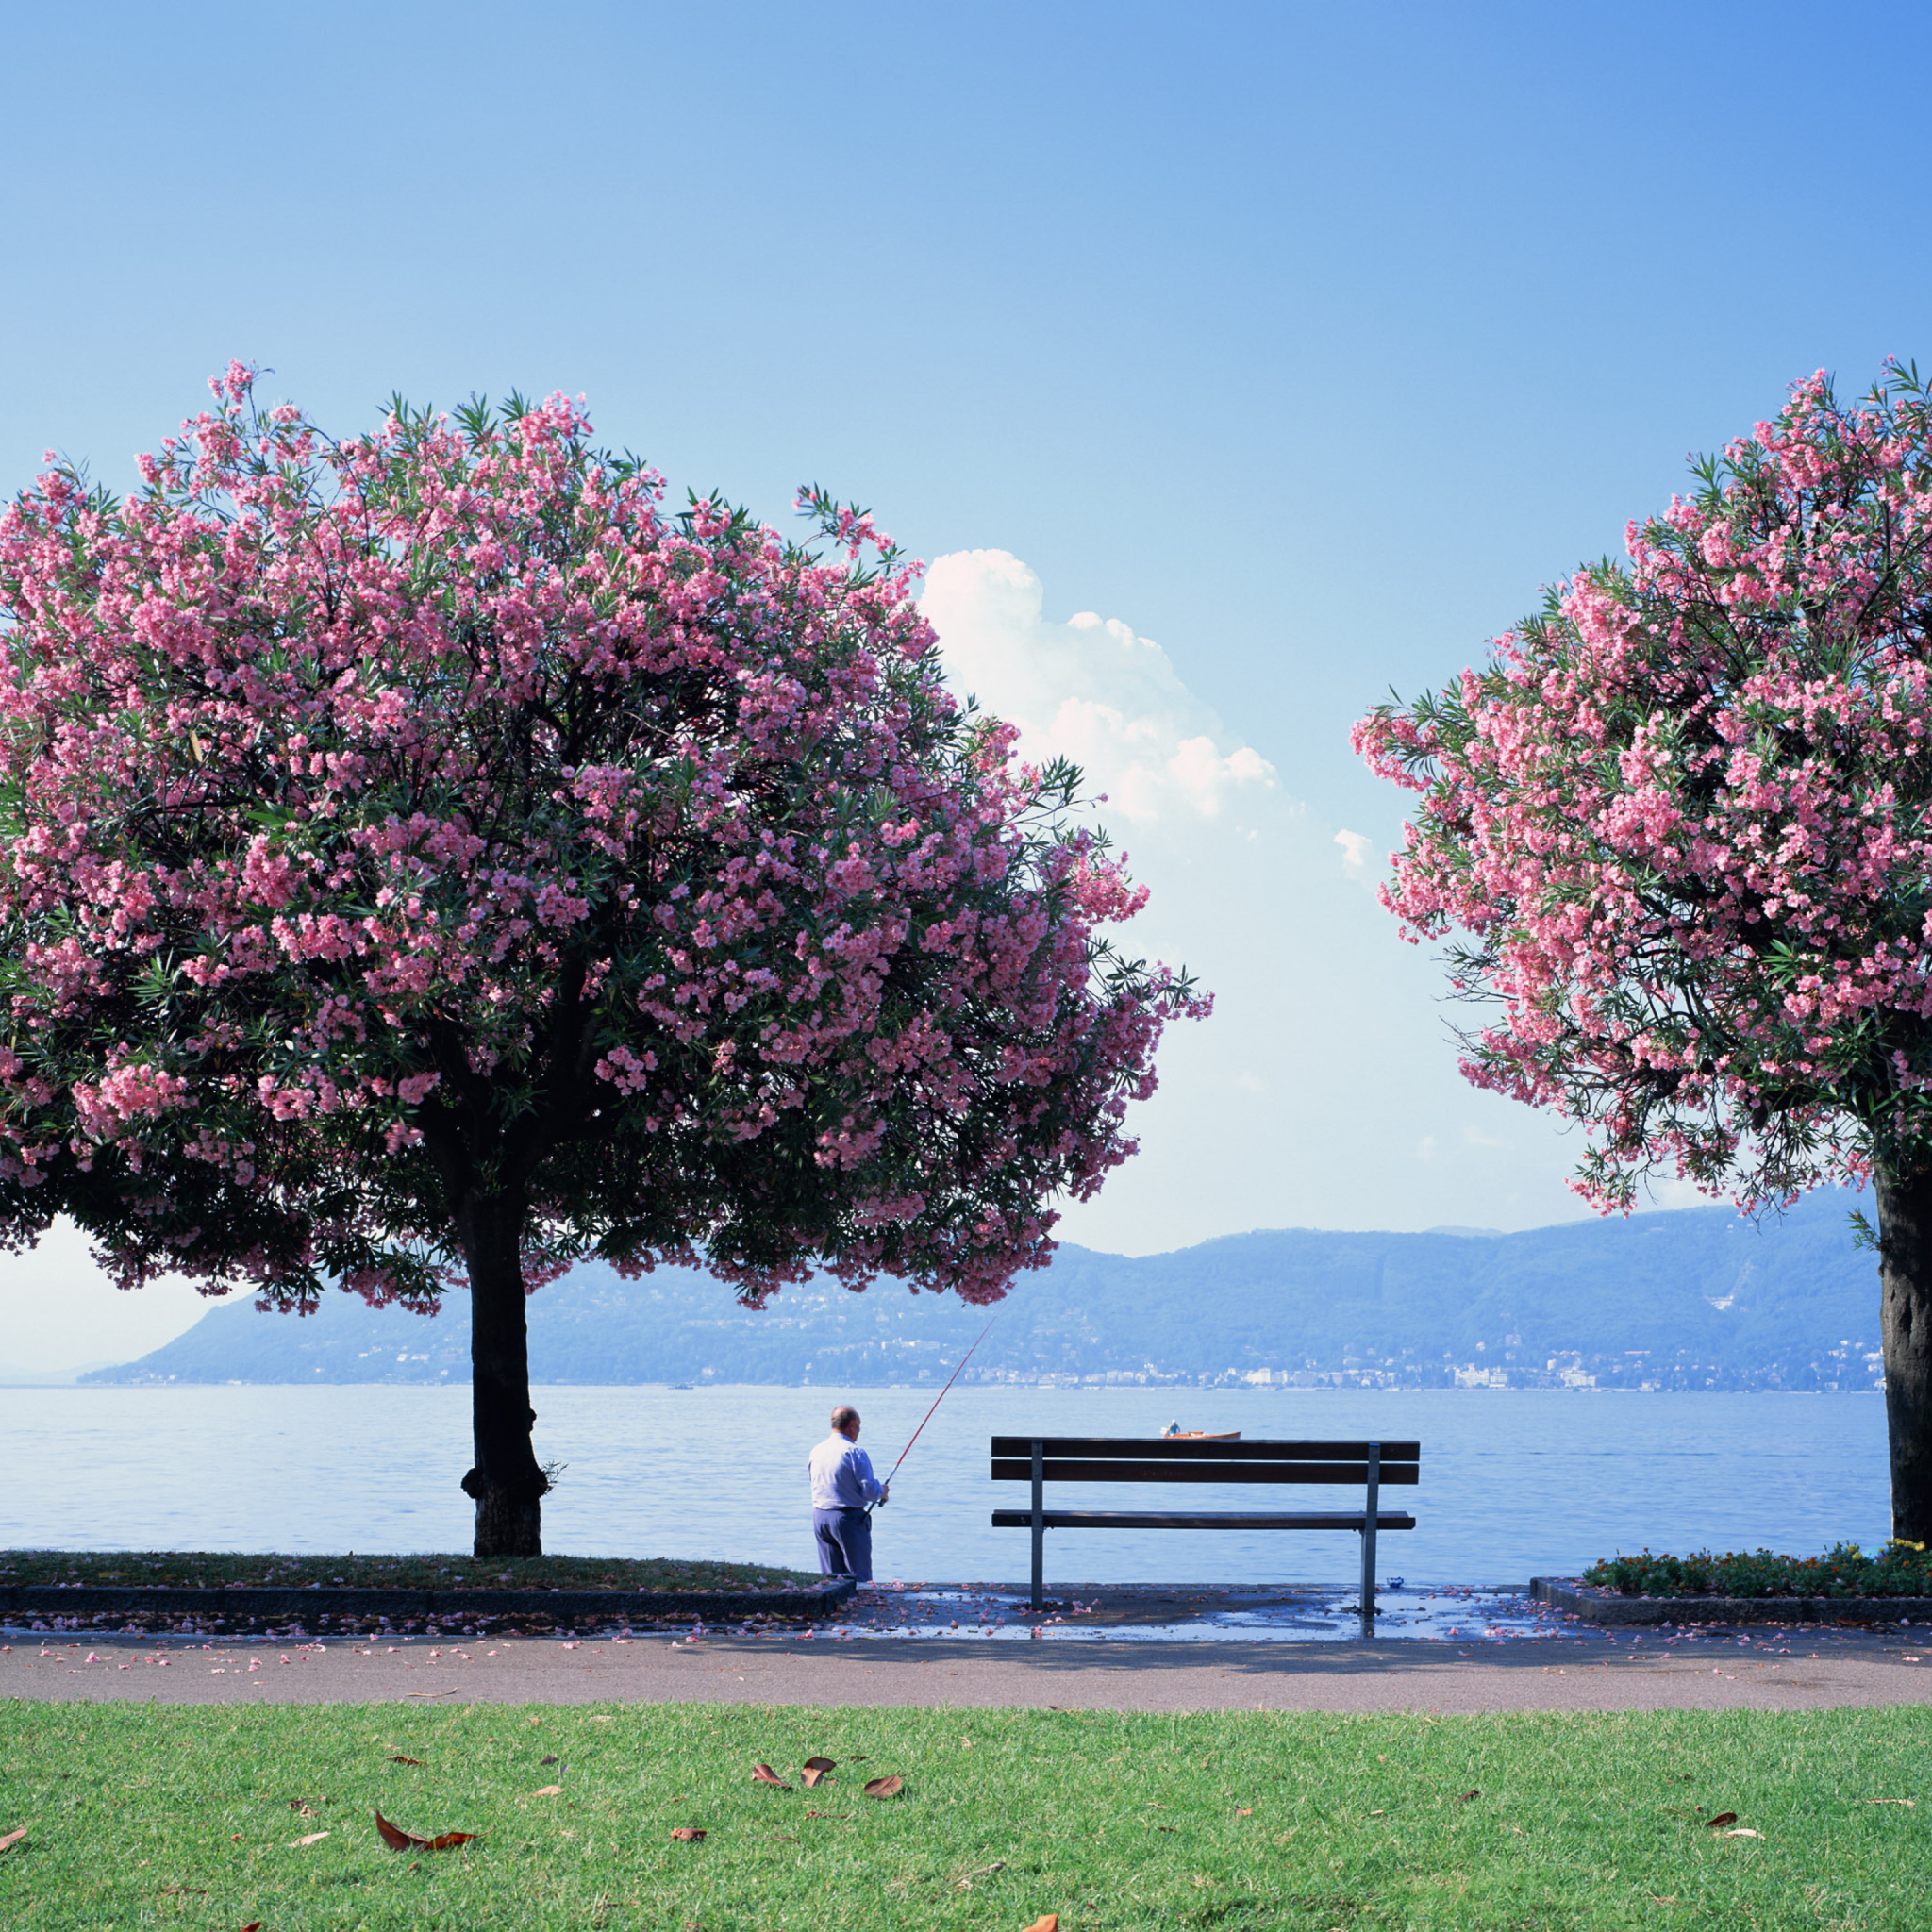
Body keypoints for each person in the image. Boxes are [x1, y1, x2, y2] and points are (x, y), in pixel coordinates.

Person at [808, 1404, 887, 1582]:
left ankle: (833, 1609)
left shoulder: (817, 1450)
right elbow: (871, 1492)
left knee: (832, 1580)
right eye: (859, 1427)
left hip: (820, 1517)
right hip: (848, 1520)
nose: (858, 1432)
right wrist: (882, 1491)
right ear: (852, 1425)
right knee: (859, 1579)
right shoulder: (854, 1452)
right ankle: (862, 1610)